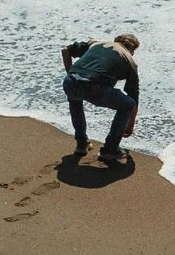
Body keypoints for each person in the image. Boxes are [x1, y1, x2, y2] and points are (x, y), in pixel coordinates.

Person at [60, 31, 141, 166]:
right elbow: (133, 97)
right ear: (132, 49)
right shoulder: (129, 60)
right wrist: (130, 125)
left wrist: (70, 73)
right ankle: (110, 149)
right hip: (94, 87)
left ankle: (81, 143)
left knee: (75, 100)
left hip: (70, 82)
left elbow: (65, 50)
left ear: (116, 40)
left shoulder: (96, 43)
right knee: (127, 105)